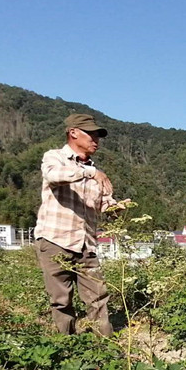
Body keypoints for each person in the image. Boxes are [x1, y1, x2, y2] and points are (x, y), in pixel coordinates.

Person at [34, 113, 127, 336]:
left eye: (98, 136)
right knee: (61, 300)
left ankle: (105, 346)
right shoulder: (55, 158)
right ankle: (67, 345)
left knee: (98, 297)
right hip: (56, 240)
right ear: (73, 133)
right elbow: (53, 176)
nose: (96, 140)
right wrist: (89, 173)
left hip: (87, 245)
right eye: (92, 135)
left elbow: (104, 203)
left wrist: (116, 208)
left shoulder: (97, 174)